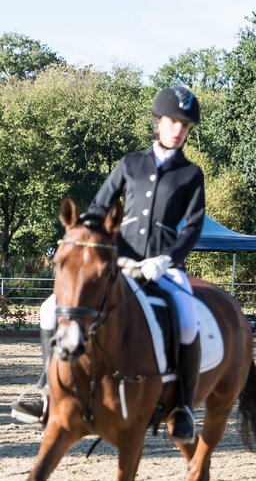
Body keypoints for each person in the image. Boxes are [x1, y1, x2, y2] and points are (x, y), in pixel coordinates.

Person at [11, 85, 205, 442]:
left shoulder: (191, 175)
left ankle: (184, 406)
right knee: (50, 307)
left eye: (185, 125)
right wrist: (83, 240)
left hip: (162, 265)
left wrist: (167, 259)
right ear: (159, 122)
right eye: (173, 121)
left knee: (188, 318)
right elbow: (99, 208)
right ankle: (44, 389)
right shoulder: (130, 164)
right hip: (118, 263)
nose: (179, 129)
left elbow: (192, 227)